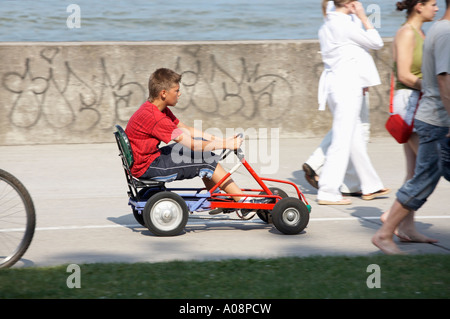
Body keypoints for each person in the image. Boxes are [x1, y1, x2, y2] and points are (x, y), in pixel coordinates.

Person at [372, 0, 450, 255]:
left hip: (422, 104)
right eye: (431, 4)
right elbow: (406, 75)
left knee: (418, 171)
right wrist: (432, 88)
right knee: (424, 173)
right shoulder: (408, 33)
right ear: (418, 6)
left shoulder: (426, 32)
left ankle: (404, 227)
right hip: (415, 105)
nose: (435, 8)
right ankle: (390, 222)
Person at [125, 68, 257, 216]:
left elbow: (186, 129)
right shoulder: (157, 118)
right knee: (206, 159)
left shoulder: (156, 109)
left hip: (145, 160)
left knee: (202, 148)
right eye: (176, 90)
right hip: (148, 166)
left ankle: (217, 197)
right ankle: (243, 203)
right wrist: (227, 145)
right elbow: (192, 145)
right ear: (164, 93)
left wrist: (223, 141)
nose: (179, 94)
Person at [315, 0, 390, 205]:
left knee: (353, 135)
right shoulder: (345, 25)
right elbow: (376, 43)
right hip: (347, 86)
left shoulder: (326, 26)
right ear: (348, 4)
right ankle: (328, 191)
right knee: (341, 140)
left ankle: (370, 184)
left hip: (333, 85)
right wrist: (364, 18)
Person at [303, 0, 375, 196]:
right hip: (350, 81)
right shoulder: (343, 21)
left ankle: (357, 183)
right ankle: (331, 182)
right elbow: (372, 43)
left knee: (349, 131)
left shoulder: (329, 23)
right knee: (353, 131)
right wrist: (362, 16)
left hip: (343, 80)